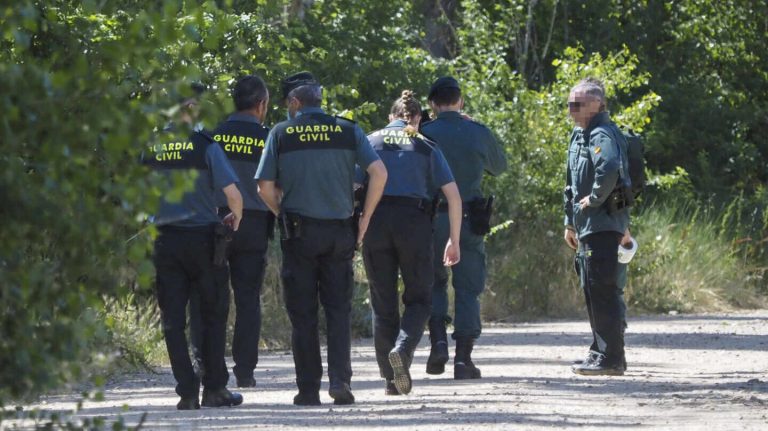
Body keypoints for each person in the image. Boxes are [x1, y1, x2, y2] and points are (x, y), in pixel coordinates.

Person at [255, 72, 387, 406]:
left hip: (299, 232)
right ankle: (340, 382)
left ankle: (308, 388)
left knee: (303, 314)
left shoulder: (281, 133)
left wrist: (280, 212)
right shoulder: (347, 129)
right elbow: (379, 173)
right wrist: (366, 218)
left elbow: (263, 187)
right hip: (340, 231)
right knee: (338, 310)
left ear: (295, 104)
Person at [143, 90, 244, 409]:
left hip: (166, 241)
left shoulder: (152, 147)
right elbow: (233, 195)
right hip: (203, 243)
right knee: (212, 314)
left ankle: (186, 391)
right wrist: (235, 218)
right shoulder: (205, 145)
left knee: (172, 318)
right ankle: (214, 389)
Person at [360, 90, 462, 396]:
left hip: (376, 223)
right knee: (420, 299)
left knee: (383, 300)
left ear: (390, 117)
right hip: (414, 225)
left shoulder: (369, 141)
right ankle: (403, 350)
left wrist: (357, 226)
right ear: (417, 119)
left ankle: (391, 379)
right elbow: (454, 196)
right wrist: (453, 240)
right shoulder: (426, 145)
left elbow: (354, 185)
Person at [189, 75, 273, 388]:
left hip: (214, 222)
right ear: (262, 105)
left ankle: (206, 367)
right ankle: (245, 371)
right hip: (253, 224)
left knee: (209, 296)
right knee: (248, 297)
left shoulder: (211, 135)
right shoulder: (268, 138)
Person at [421, 76, 507, 380]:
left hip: (430, 218)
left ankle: (438, 344)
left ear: (432, 104)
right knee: (468, 287)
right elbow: (499, 167)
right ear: (461, 101)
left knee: (433, 281)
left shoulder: (423, 132)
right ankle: (463, 359)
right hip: (469, 219)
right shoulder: (478, 132)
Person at [563, 77, 630, 376]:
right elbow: (570, 184)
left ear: (596, 104)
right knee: (591, 288)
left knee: (602, 289)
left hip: (603, 225)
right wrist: (570, 222)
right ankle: (599, 351)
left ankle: (612, 357)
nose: (571, 110)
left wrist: (595, 198)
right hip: (587, 226)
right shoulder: (580, 135)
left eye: (577, 104)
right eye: (569, 104)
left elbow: (610, 166)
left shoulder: (601, 133)